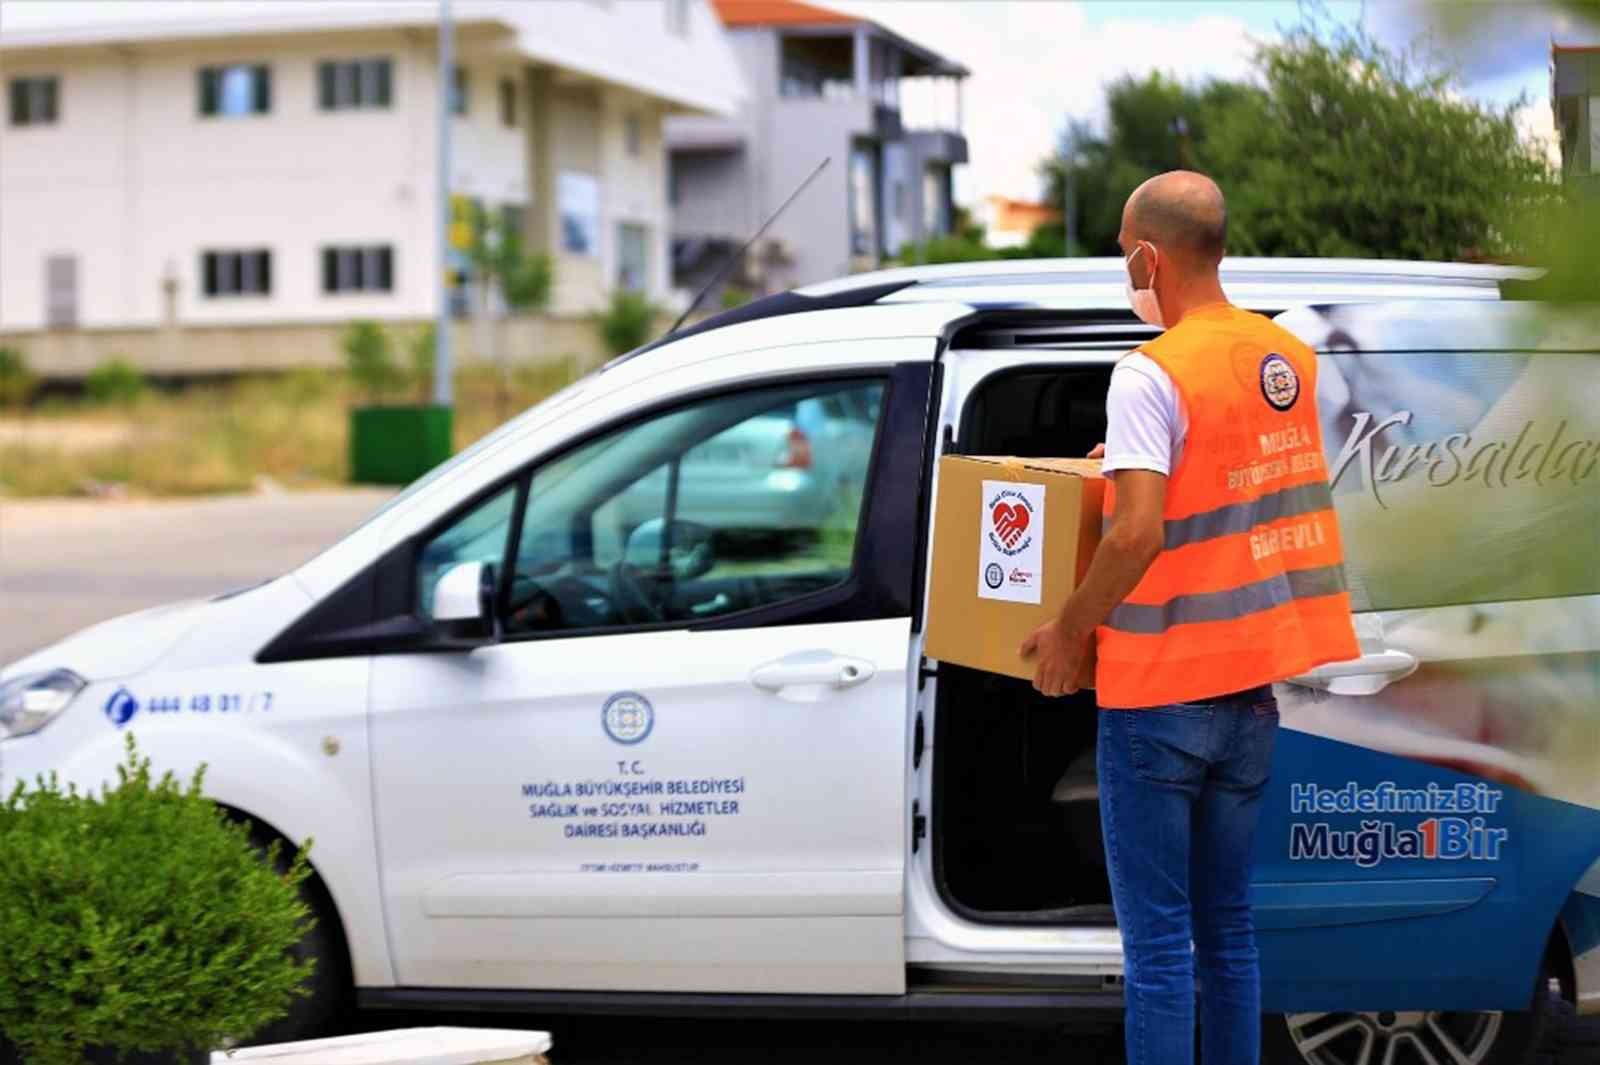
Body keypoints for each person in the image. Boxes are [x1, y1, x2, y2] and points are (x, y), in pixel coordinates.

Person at [1020, 171, 1360, 1065]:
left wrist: (1065, 633)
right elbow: (1238, 482)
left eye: (1121, 257)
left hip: (1158, 702)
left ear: (1147, 256)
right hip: (1250, 693)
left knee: (1163, 950)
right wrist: (1131, 460)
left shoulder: (1149, 372)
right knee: (1229, 933)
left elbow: (1137, 535)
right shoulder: (1285, 358)